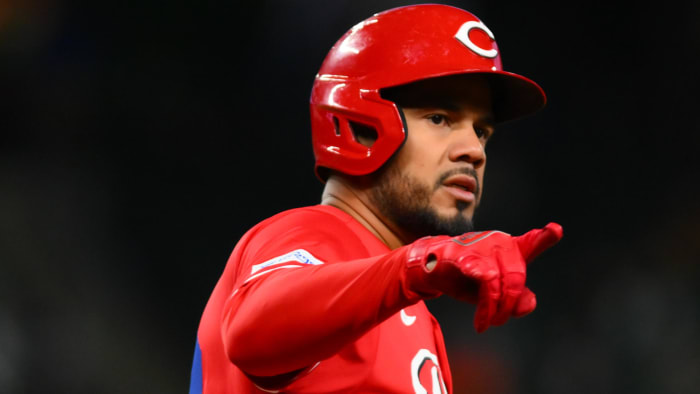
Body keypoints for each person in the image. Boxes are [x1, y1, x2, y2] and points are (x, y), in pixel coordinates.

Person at [189, 4, 563, 393]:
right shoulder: (311, 235)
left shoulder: (408, 306)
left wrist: (414, 275)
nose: (474, 150)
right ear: (359, 126)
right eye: (439, 119)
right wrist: (419, 267)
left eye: (482, 131)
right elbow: (252, 334)